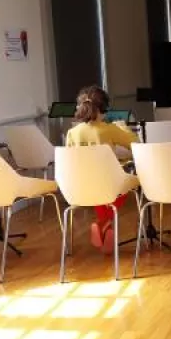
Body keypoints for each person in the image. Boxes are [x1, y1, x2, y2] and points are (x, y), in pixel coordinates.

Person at [65, 85, 139, 254]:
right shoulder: (109, 129)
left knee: (97, 184)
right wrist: (123, 127)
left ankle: (103, 222)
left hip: (80, 187)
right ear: (103, 108)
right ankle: (103, 223)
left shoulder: (72, 133)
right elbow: (135, 142)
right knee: (131, 180)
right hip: (108, 185)